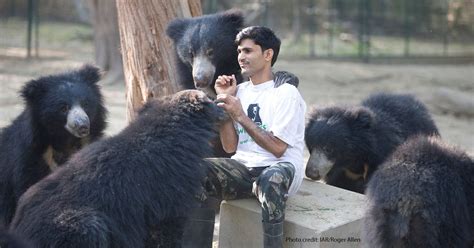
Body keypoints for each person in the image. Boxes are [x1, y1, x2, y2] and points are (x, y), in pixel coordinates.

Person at [183, 26, 306, 248]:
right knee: (195, 171)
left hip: (279, 168)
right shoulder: (239, 91)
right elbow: (230, 148)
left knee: (272, 179)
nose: (241, 57)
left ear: (268, 55)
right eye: (239, 51)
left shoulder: (286, 93)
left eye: (248, 51)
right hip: (244, 170)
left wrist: (240, 114)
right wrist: (223, 104)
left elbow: (278, 149)